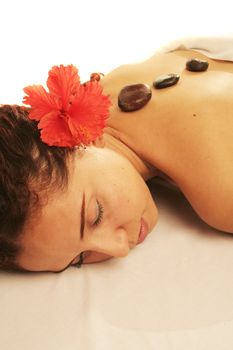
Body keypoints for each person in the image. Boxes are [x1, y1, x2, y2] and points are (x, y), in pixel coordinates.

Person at [0, 37, 233, 273]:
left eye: (96, 215)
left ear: (82, 139)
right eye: (80, 258)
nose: (119, 248)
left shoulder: (223, 193)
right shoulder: (109, 84)